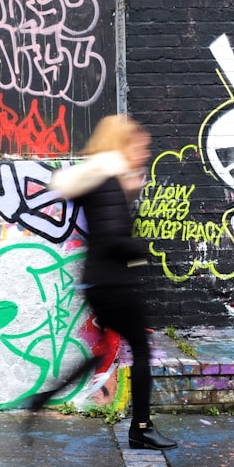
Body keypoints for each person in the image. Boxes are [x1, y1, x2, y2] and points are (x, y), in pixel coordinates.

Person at [30, 114, 177, 450]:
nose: (144, 153)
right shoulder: (109, 180)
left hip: (99, 283)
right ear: (121, 144)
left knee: (100, 353)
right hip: (115, 284)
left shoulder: (98, 180)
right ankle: (141, 427)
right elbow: (112, 237)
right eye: (139, 146)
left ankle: (44, 397)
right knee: (140, 351)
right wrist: (141, 253)